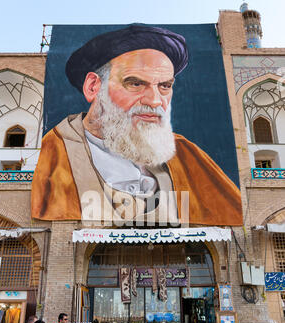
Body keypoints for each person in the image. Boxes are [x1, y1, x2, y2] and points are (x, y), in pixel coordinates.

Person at [31, 24, 243, 227]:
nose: (154, 101)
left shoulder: (187, 155)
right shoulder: (54, 155)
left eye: (165, 86)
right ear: (93, 86)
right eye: (135, 84)